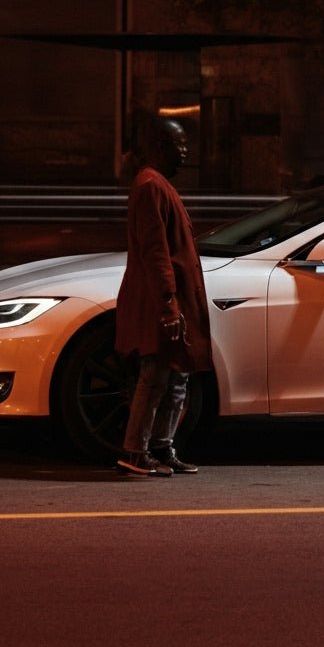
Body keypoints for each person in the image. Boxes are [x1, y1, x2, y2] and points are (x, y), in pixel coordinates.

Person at [115, 115, 212, 476]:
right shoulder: (150, 186)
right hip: (160, 301)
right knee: (156, 375)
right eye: (179, 146)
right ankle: (134, 451)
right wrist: (168, 303)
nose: (185, 153)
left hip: (175, 298)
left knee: (176, 377)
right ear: (159, 147)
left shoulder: (157, 185)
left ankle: (161, 446)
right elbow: (155, 251)